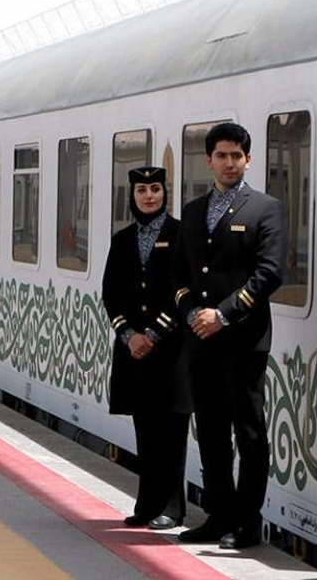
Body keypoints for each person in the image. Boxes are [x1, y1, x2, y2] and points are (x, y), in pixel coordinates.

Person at [173, 123, 286, 549]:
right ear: (209, 161)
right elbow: (181, 275)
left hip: (242, 340)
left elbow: (270, 273)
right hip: (201, 340)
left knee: (249, 432)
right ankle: (217, 516)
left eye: (236, 156)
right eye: (221, 155)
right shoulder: (195, 210)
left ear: (248, 160)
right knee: (212, 431)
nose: (229, 162)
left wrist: (223, 314)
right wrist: (192, 315)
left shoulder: (265, 209)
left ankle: (247, 522)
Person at [102, 166, 190, 531]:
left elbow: (185, 292)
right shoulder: (122, 239)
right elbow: (111, 293)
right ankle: (147, 504)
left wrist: (152, 334)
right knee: (146, 432)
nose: (149, 196)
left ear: (164, 193)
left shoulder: (181, 234)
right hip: (134, 353)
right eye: (142, 190)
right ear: (133, 196)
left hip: (170, 354)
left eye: (155, 189)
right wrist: (128, 336)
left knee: (171, 432)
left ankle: (171, 508)